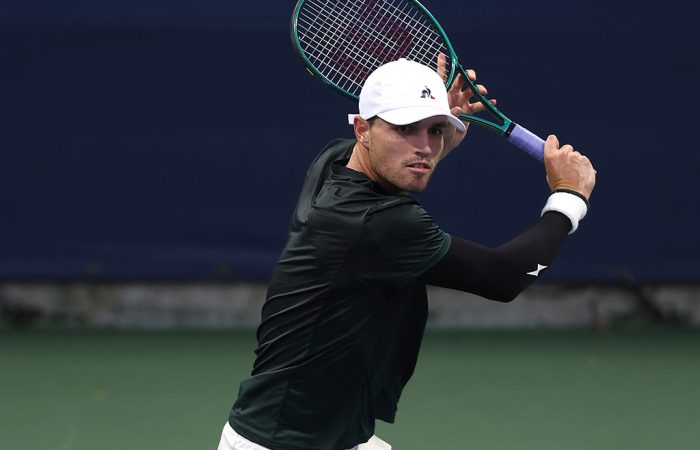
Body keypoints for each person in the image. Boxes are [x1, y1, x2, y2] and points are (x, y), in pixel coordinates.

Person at [217, 58, 596, 450]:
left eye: (434, 130)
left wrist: (432, 124)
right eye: (404, 129)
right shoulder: (381, 223)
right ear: (363, 129)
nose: (425, 147)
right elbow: (503, 277)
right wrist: (569, 197)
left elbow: (392, 168)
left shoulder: (332, 161)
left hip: (324, 434)